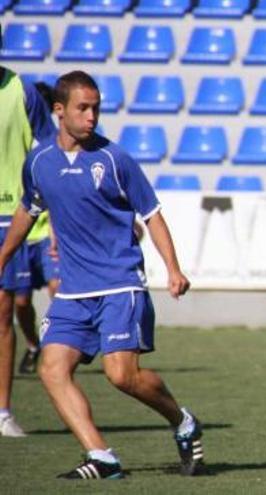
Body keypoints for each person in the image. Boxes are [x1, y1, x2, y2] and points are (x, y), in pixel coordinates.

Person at [0, 70, 205, 479]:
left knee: (121, 376)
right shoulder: (39, 161)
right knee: (52, 369)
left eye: (96, 108)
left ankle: (182, 420)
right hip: (74, 291)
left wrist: (173, 269)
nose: (92, 116)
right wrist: (3, 256)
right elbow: (29, 208)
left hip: (120, 283)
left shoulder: (114, 159)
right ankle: (101, 456)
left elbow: (152, 214)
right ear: (59, 111)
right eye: (83, 108)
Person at [0, 44, 55, 436]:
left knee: (5, 312)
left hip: (8, 218)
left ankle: (2, 412)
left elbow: (53, 148)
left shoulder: (22, 90)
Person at [15, 211, 60, 374]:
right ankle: (33, 345)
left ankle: (60, 346)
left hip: (46, 236)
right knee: (21, 301)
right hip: (18, 238)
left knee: (57, 288)